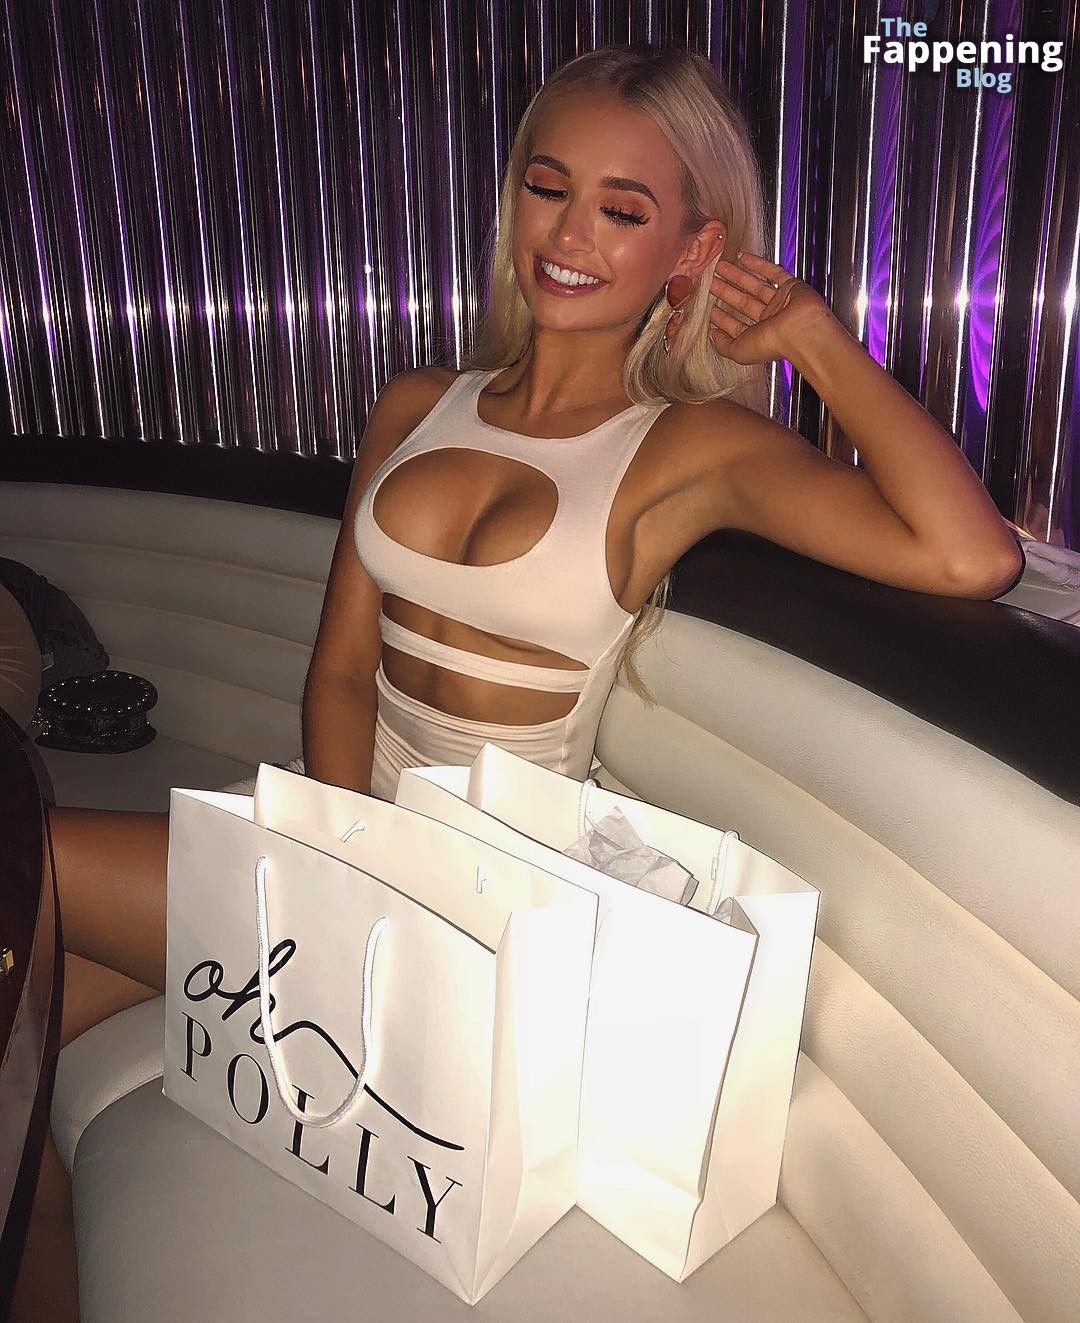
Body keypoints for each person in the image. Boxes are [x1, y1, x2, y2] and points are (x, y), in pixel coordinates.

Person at [11, 43, 1023, 1321]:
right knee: (32, 1028)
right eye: (550, 187)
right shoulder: (417, 402)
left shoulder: (688, 449)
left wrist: (813, 337)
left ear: (694, 249)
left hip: (492, 894)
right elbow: (341, 670)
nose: (572, 234)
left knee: (29, 867)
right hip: (344, 836)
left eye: (624, 209)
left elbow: (970, 554)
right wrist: (345, 857)